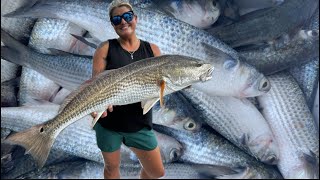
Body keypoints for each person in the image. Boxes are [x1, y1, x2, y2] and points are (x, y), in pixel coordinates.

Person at [91, 0, 164, 179]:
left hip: (139, 124)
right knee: (111, 168)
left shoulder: (152, 50)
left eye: (127, 16)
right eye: (117, 20)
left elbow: (161, 84)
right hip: (109, 125)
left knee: (156, 172)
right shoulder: (105, 48)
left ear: (135, 19)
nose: (123, 22)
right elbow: (96, 85)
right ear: (113, 25)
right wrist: (95, 107)